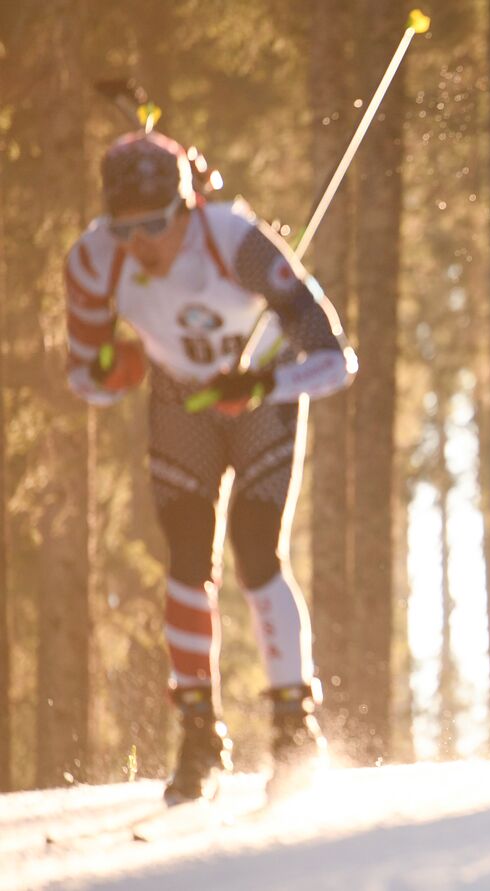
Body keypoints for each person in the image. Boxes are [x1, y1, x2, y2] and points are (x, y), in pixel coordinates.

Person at [64, 131, 356, 804]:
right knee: (187, 554)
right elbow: (86, 374)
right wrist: (118, 369)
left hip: (263, 389)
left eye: (156, 223)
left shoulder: (233, 239)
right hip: (179, 401)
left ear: (188, 205)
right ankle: (198, 733)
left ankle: (292, 726)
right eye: (124, 225)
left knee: (257, 548)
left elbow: (336, 358)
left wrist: (256, 386)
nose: (142, 242)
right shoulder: (92, 259)